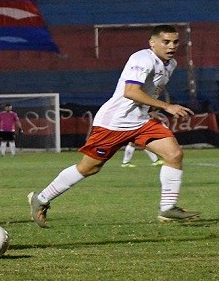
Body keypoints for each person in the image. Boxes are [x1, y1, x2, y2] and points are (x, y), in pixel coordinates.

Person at [27, 25, 200, 227]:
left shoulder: (171, 64)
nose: (171, 46)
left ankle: (168, 208)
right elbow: (130, 91)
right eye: (166, 42)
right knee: (89, 167)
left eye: (175, 42)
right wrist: (167, 107)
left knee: (174, 154)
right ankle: (41, 198)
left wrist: (151, 109)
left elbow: (148, 92)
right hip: (115, 122)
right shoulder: (142, 58)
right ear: (152, 43)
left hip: (141, 121)